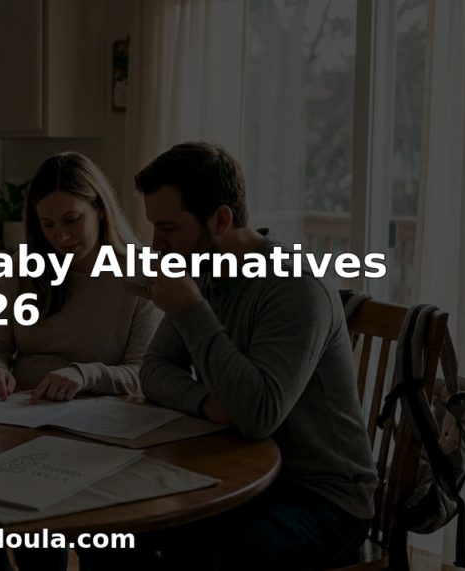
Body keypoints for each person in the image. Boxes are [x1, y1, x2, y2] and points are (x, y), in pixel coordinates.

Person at [79, 142, 378, 570]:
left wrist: (192, 311)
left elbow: (257, 415)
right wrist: (209, 403)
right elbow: (155, 369)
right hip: (236, 474)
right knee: (105, 533)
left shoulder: (294, 287)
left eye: (168, 228)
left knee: (211, 562)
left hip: (320, 496)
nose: (156, 245)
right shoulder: (206, 270)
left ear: (220, 219)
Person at [0, 152, 162, 571]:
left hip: (98, 434)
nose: (60, 236)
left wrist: (85, 373)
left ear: (99, 208)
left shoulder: (143, 273)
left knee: (105, 548)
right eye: (48, 225)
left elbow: (146, 374)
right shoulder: (27, 269)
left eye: (71, 220)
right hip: (19, 424)